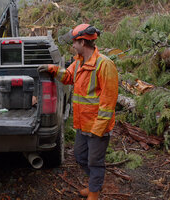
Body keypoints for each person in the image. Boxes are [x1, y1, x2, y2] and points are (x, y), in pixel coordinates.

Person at [39, 24, 118, 200]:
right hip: (82, 124)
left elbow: (108, 101)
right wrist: (53, 69)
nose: (72, 46)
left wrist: (99, 129)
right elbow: (67, 77)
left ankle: (94, 192)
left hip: (97, 127)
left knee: (94, 162)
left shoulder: (104, 65)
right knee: (80, 156)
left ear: (83, 42)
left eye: (74, 42)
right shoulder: (79, 63)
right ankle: (94, 185)